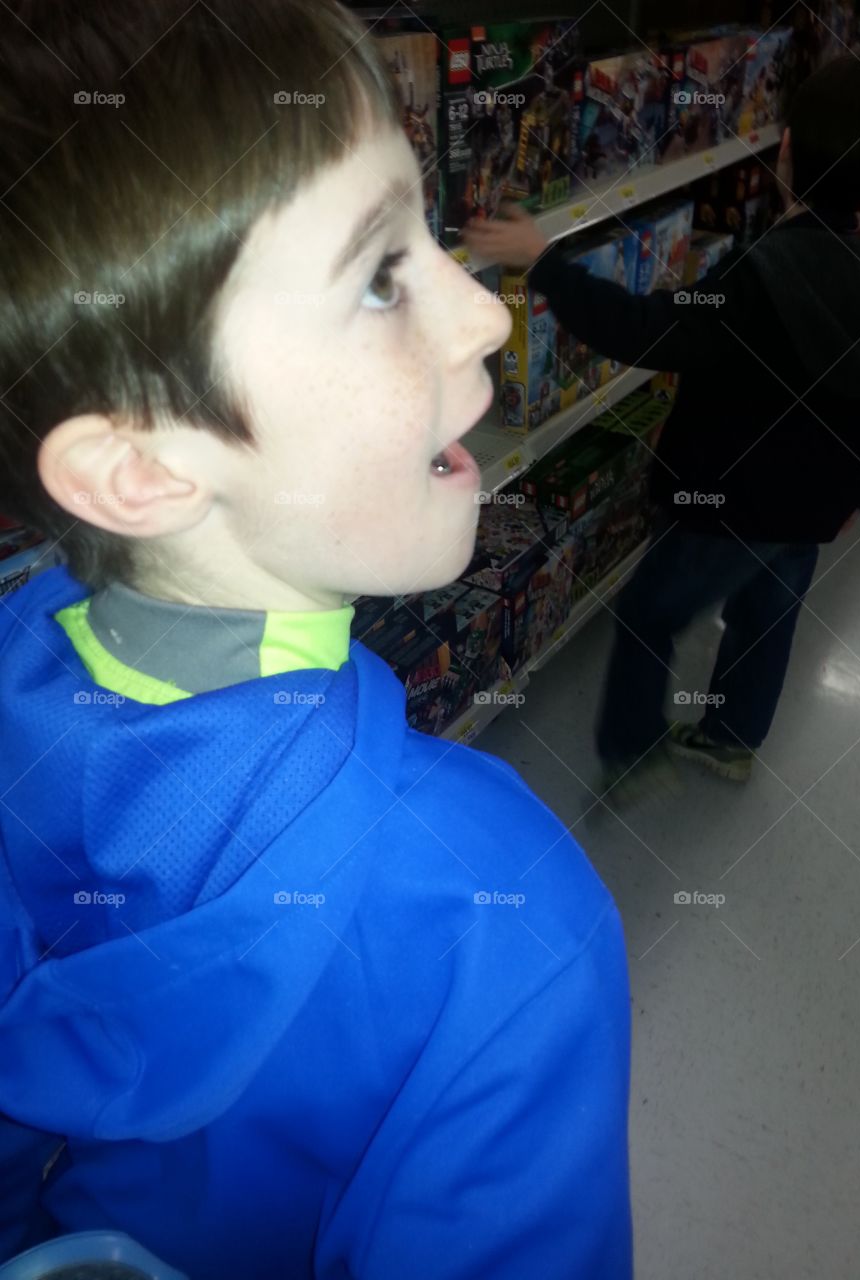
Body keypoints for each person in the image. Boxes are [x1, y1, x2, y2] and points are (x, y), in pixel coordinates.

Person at [0, 2, 633, 1276]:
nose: (486, 315)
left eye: (427, 235)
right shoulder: (500, 922)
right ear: (137, 469)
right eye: (382, 275)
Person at [464, 53, 860, 795]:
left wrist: (544, 263)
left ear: (783, 150)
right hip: (811, 511)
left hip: (727, 508)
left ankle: (632, 746)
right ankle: (732, 738)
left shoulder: (758, 279)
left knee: (649, 611)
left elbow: (648, 330)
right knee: (767, 618)